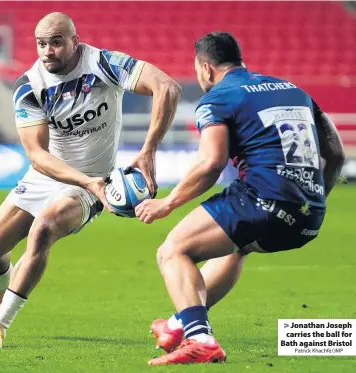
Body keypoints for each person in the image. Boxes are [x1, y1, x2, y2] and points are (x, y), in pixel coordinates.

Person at [135, 32, 345, 365]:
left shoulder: (218, 97)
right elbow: (334, 152)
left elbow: (211, 164)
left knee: (173, 250)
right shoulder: (294, 91)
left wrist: (168, 203)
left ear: (206, 68)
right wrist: (312, 198)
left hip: (263, 200)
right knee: (237, 245)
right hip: (309, 215)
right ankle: (178, 325)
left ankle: (200, 339)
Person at [0, 12, 181, 349]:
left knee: (44, 229)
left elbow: (166, 87)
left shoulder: (103, 63)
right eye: (41, 43)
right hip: (50, 174)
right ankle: (1, 287)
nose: (48, 51)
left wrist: (148, 150)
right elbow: (38, 155)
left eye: (56, 42)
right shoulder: (29, 86)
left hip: (93, 183)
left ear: (75, 41)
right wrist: (85, 181)